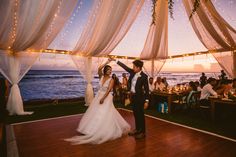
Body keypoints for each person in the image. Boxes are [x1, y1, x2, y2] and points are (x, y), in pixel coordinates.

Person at [65, 59, 130, 144]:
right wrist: (107, 62)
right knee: (95, 112)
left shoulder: (111, 79)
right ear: (105, 71)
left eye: (111, 70)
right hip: (98, 95)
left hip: (106, 97)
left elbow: (109, 90)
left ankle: (104, 130)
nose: (110, 71)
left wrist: (103, 98)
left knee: (104, 113)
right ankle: (90, 129)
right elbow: (99, 69)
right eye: (108, 70)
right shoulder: (101, 76)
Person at [114, 58, 149, 139]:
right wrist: (116, 61)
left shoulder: (144, 77)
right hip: (133, 97)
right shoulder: (132, 72)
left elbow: (147, 90)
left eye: (134, 66)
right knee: (135, 114)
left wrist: (147, 101)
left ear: (138, 68)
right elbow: (125, 67)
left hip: (140, 98)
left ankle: (143, 132)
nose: (132, 68)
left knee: (140, 115)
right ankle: (137, 129)